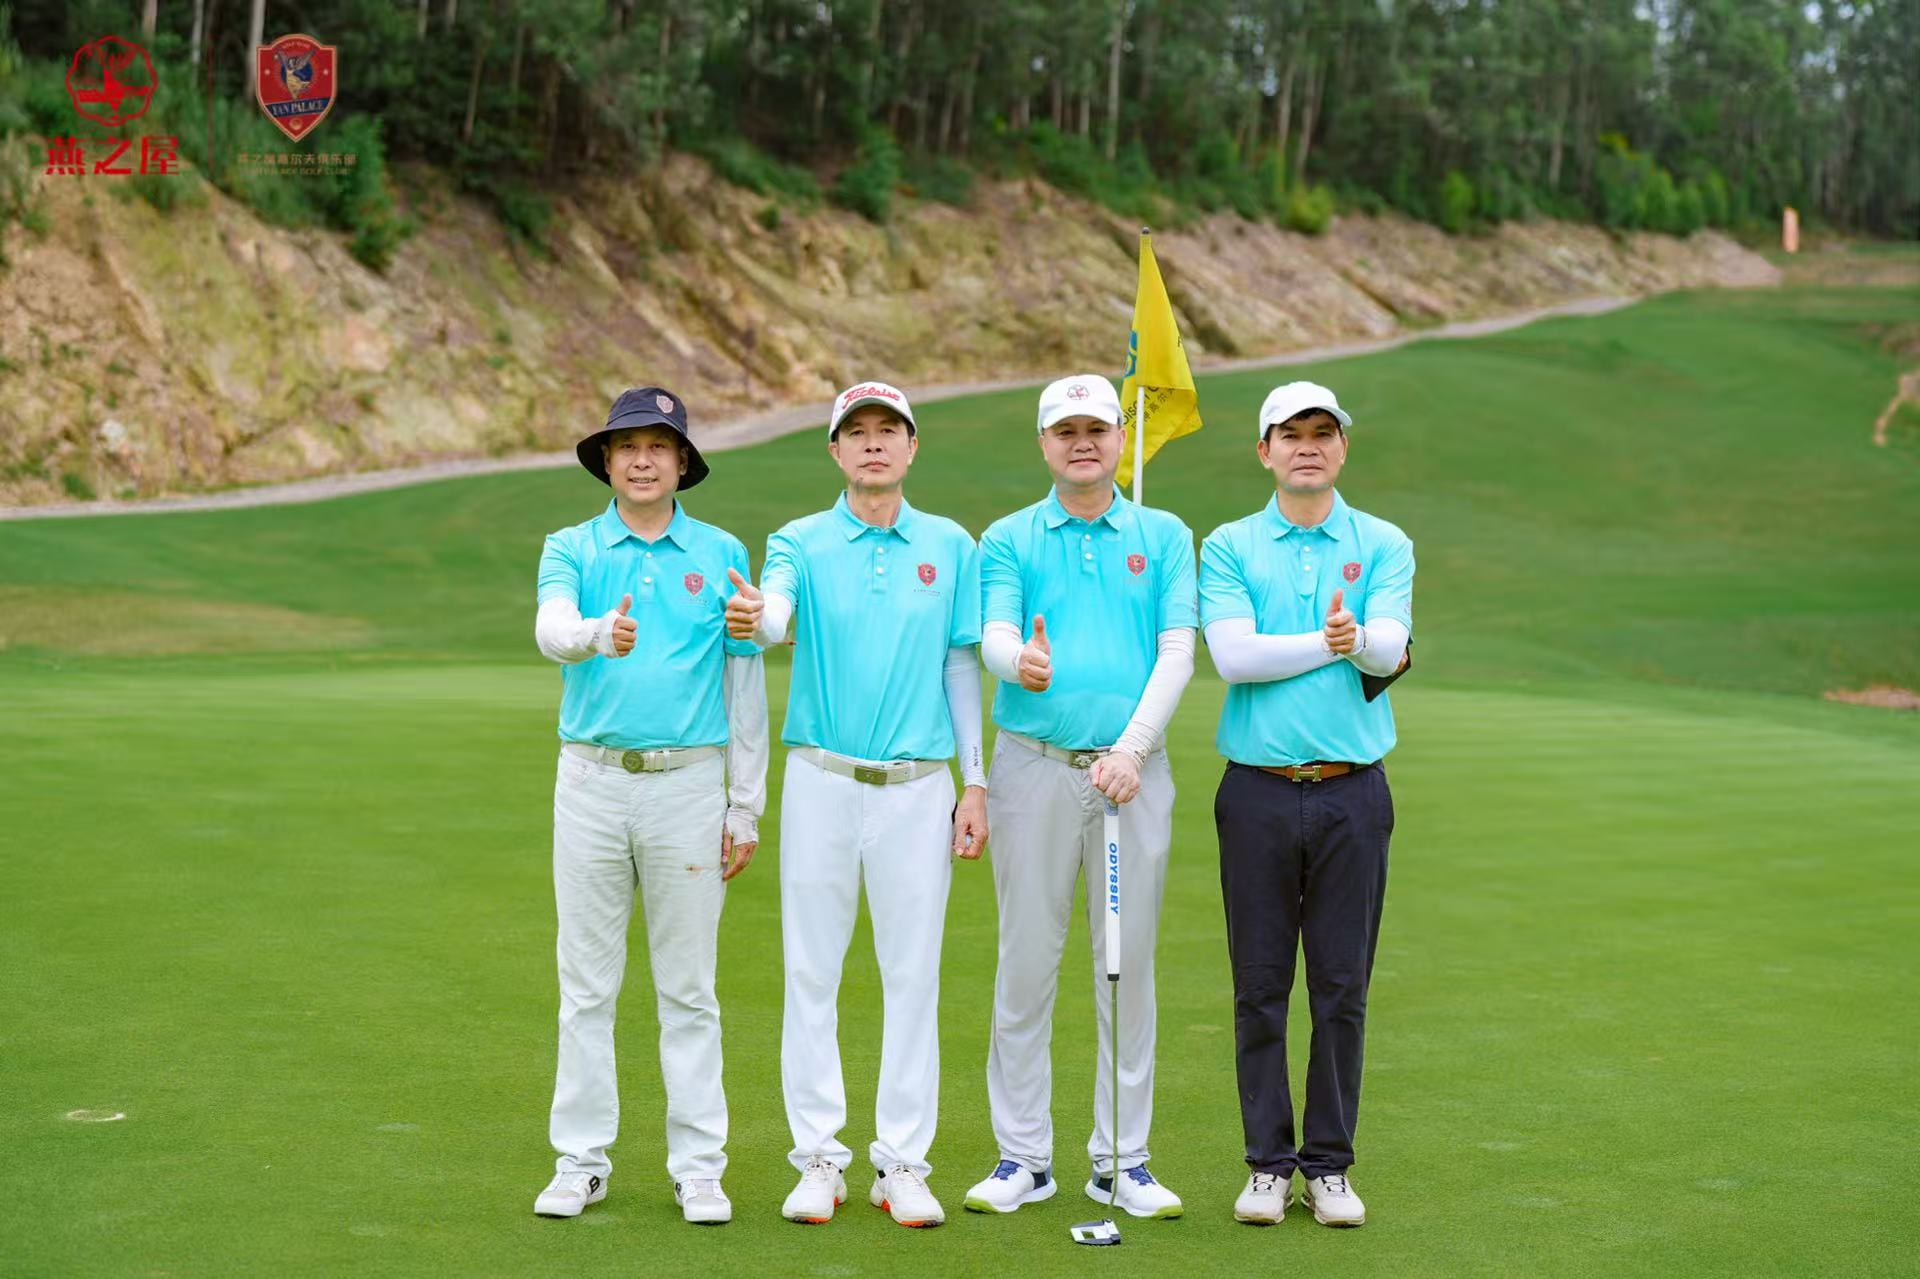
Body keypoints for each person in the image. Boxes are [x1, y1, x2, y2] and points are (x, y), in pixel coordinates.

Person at [724, 380, 987, 1229]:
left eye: (889, 430)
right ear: (835, 450)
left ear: (912, 447)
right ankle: (818, 1158)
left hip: (918, 787)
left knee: (912, 975)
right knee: (812, 970)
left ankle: (902, 1162)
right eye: (858, 432)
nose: (874, 443)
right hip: (822, 780)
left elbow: (960, 665)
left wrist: (975, 781)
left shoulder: (949, 544)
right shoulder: (798, 540)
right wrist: (759, 615)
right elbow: (776, 613)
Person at [529, 387, 768, 1226]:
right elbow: (551, 627)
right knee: (586, 986)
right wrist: (597, 633)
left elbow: (743, 680)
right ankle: (580, 1160)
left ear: (682, 462)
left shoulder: (721, 551)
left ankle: (699, 1168)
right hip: (592, 782)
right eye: (627, 445)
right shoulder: (571, 546)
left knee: (690, 989)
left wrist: (746, 805)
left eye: (658, 446)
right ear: (606, 459)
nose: (641, 459)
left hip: (689, 786)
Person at [960, 374, 1196, 1221]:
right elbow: (995, 632)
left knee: (1126, 966)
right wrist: (1016, 660)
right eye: (1066, 430)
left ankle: (1122, 1159)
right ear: (1044, 443)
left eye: (1097, 427)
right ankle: (1024, 1156)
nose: (1083, 441)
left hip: (1133, 773)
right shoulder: (1009, 537)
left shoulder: (1164, 534)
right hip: (1034, 766)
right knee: (1026, 961)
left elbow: (1177, 650)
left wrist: (1134, 747)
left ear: (1120, 438)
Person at [1199, 380, 1413, 1229]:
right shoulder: (1230, 544)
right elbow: (1235, 658)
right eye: (1291, 434)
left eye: (1324, 432)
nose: (1308, 446)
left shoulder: (1383, 541)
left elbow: (1390, 645)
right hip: (1256, 790)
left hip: (1352, 791)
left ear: (1343, 446)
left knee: (1341, 985)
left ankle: (1327, 1165)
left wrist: (1360, 641)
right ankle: (1266, 1164)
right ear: (1265, 451)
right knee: (1259, 986)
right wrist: (1336, 644)